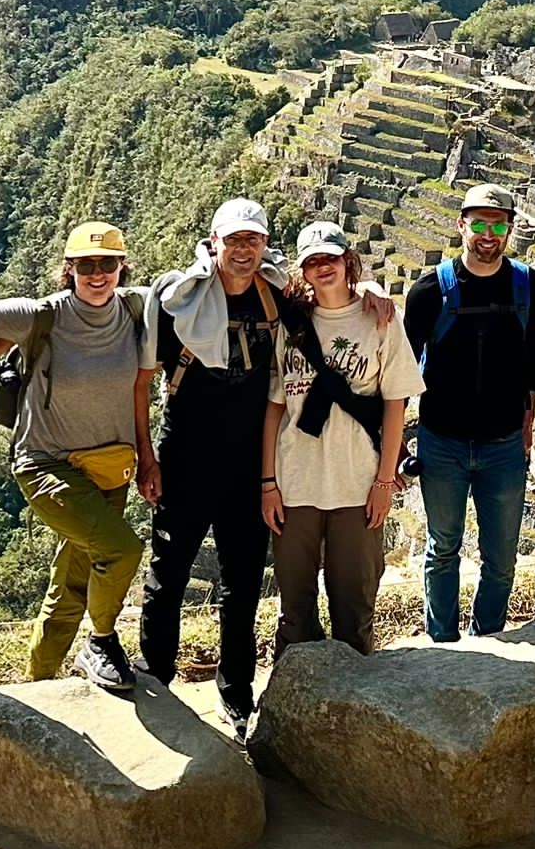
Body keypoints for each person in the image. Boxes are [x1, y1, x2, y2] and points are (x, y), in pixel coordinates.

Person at [137, 197, 393, 737]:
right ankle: (157, 678)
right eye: (233, 240)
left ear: (265, 246)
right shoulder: (178, 302)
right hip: (185, 452)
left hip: (249, 459)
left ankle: (236, 692)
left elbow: (338, 300)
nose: (242, 249)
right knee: (168, 572)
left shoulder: (279, 297)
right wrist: (146, 454)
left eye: (252, 240)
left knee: (243, 581)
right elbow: (142, 378)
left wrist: (369, 289)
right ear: (213, 242)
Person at [0, 222, 159, 694]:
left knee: (73, 578)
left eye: (108, 264)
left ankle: (38, 679)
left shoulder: (137, 308)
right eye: (86, 266)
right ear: (69, 269)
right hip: (47, 462)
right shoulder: (42, 317)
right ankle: (101, 642)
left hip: (110, 468)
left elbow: (203, 286)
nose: (98, 275)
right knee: (121, 550)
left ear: (122, 267)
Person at [261, 221, 423, 656]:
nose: (322, 268)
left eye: (329, 258)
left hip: (356, 482)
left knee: (354, 609)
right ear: (302, 271)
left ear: (347, 261)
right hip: (296, 481)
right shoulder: (291, 324)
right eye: (312, 262)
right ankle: (290, 700)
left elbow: (394, 404)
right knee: (295, 611)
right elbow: (276, 406)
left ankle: (355, 710)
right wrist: (268, 483)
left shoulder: (381, 319)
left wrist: (385, 481)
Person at [402, 183, 535, 642]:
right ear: (461, 224)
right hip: (441, 441)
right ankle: (443, 643)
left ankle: (491, 640)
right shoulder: (429, 290)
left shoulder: (527, 286)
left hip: (503, 444)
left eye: (498, 223)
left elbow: (533, 365)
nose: (488, 233)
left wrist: (526, 433)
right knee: (443, 549)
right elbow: (402, 365)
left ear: (509, 229)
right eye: (480, 223)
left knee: (501, 556)